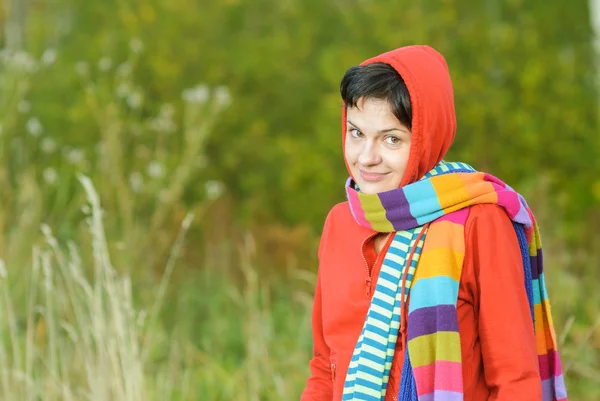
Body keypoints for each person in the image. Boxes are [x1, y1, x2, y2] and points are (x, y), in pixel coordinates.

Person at [300, 45, 568, 401]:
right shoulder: (341, 222)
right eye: (356, 133)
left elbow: (515, 380)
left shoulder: (479, 221)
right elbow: (324, 365)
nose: (366, 157)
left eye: (391, 138)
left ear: (427, 137)